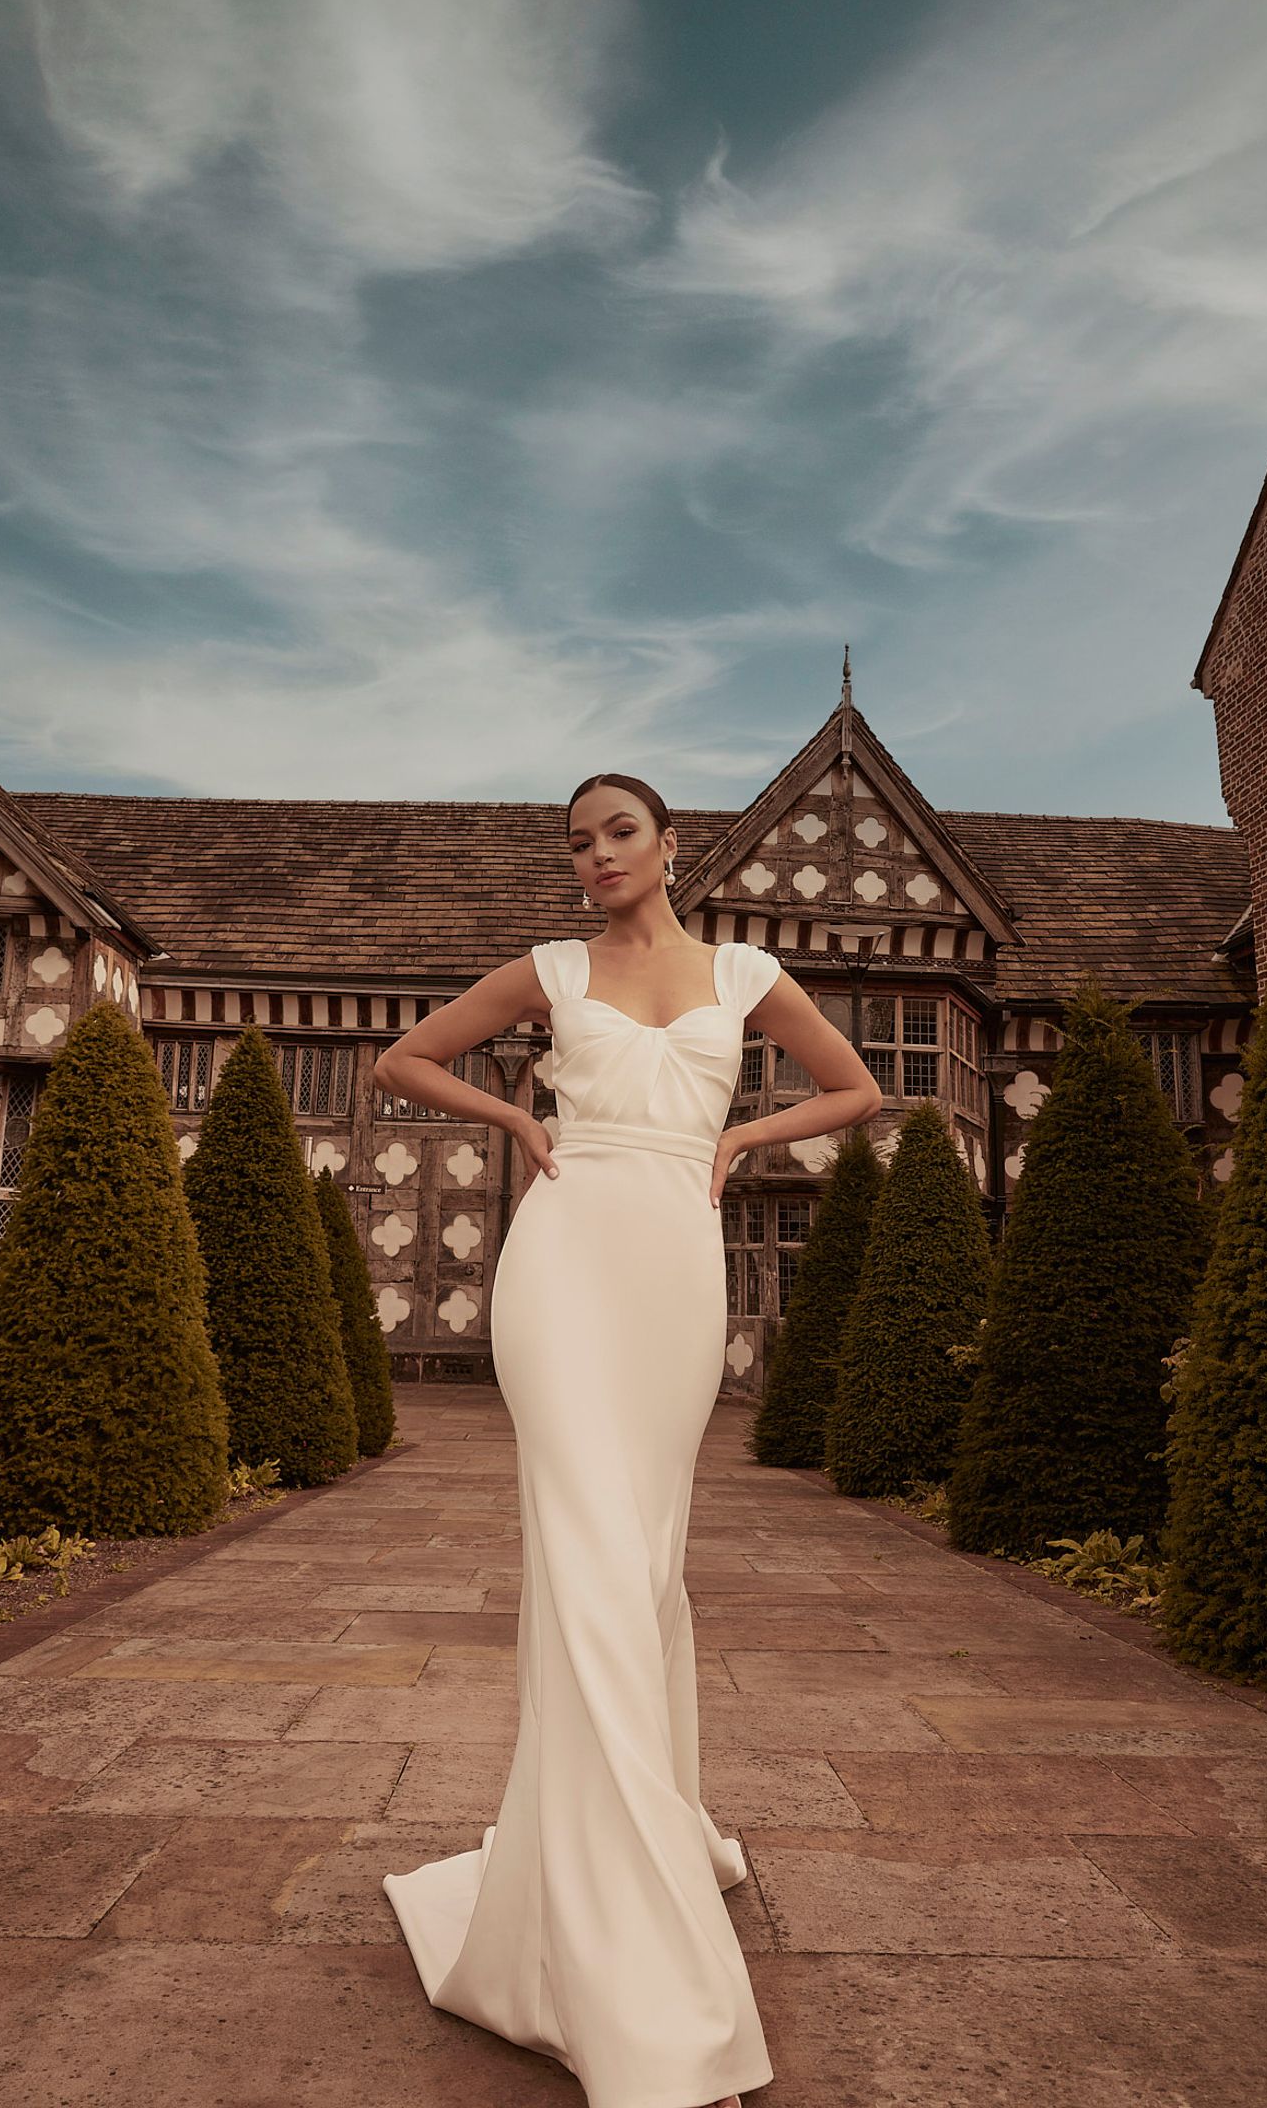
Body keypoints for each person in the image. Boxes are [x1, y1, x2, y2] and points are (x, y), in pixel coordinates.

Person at [377, 773, 884, 2108]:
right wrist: (515, 1118)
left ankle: (622, 1847)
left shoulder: (743, 974)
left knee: (643, 1568)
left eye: (618, 834)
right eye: (578, 843)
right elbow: (403, 1058)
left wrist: (745, 1134)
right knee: (592, 1567)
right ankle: (636, 1982)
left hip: (671, 1268)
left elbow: (853, 1091)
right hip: (566, 1259)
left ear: (670, 847)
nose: (596, 857)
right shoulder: (547, 969)